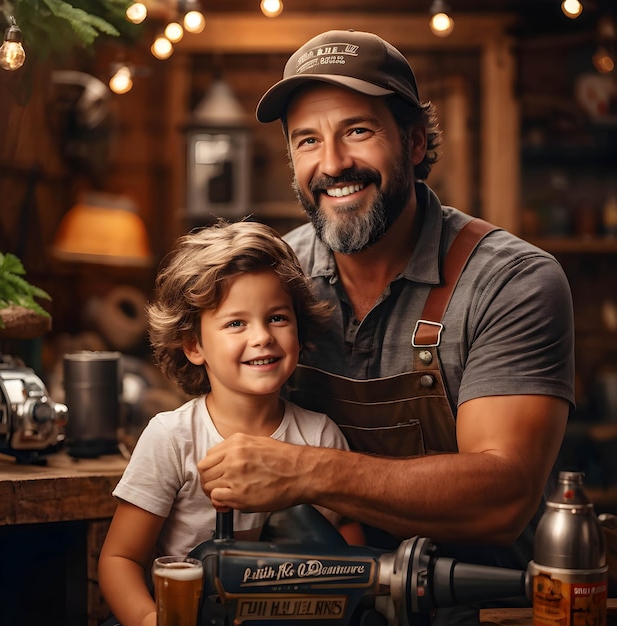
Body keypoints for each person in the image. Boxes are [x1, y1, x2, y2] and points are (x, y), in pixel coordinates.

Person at [197, 29, 576, 621]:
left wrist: (303, 472)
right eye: (307, 141)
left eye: (358, 131)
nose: (332, 164)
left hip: (479, 608)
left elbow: (503, 497)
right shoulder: (276, 280)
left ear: (416, 141)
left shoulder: (513, 281)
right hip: (313, 608)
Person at [98, 220, 350, 626]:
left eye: (278, 318)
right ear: (194, 345)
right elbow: (120, 559)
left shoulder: (320, 436)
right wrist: (149, 619)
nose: (262, 337)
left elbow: (349, 563)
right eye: (236, 323)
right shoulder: (172, 438)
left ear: (300, 331)